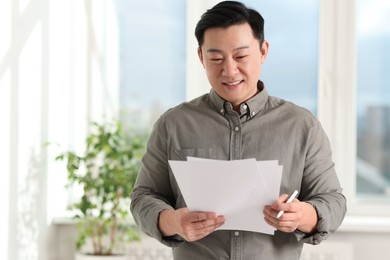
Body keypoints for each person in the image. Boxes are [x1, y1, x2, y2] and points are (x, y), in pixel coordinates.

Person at [130, 1, 347, 259]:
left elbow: (333, 201)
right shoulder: (173, 124)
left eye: (241, 56)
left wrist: (303, 215)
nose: (230, 70)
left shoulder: (302, 126)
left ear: (263, 51)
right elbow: (143, 198)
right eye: (216, 58)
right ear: (201, 57)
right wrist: (173, 222)